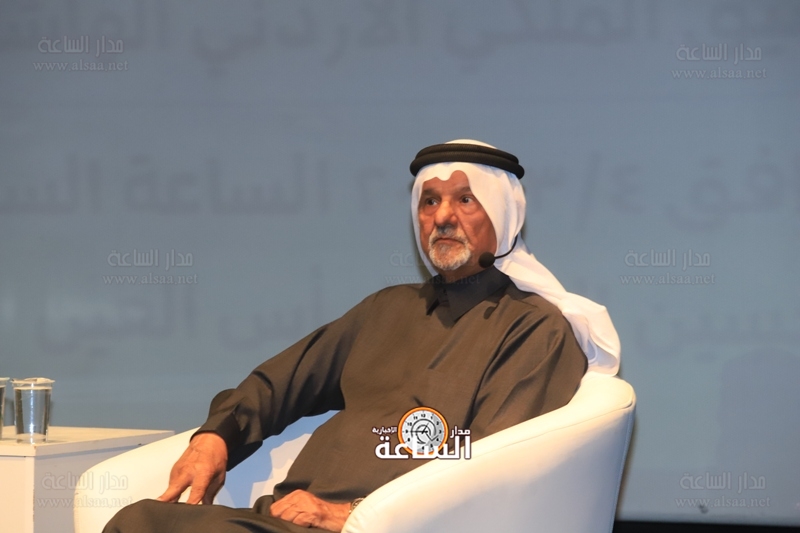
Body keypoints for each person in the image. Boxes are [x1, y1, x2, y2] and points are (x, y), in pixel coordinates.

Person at [104, 140, 620, 533]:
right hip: (286, 518)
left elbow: (487, 463)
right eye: (429, 202)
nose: (442, 217)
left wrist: (353, 513)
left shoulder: (535, 328)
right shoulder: (387, 308)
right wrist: (216, 436)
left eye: (465, 200)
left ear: (503, 214)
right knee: (139, 521)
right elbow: (282, 382)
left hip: (377, 527)